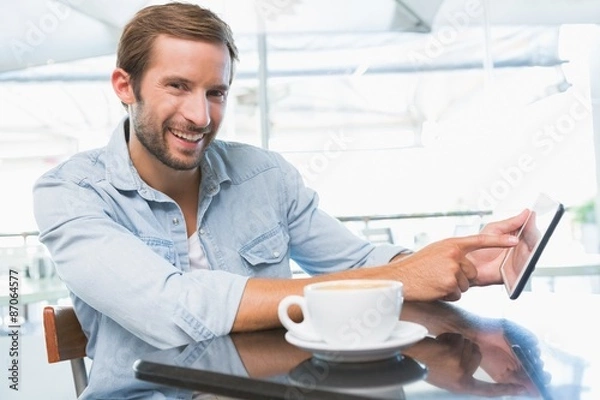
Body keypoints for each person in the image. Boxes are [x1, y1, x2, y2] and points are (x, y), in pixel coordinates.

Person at [32, 3, 527, 399]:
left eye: (216, 92)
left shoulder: (265, 176)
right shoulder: (69, 194)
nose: (201, 115)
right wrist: (400, 276)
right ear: (126, 87)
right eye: (178, 87)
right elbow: (173, 308)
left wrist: (452, 260)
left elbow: (356, 260)